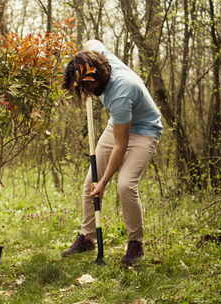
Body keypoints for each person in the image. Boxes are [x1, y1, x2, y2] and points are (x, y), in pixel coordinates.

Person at [61, 40, 163, 266]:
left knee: (125, 185)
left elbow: (121, 145)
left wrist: (104, 183)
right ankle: (87, 237)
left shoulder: (121, 91)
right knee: (90, 180)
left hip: (144, 130)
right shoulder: (95, 57)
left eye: (84, 88)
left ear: (97, 82)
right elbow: (91, 41)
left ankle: (136, 244)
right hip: (118, 124)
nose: (83, 92)